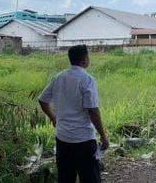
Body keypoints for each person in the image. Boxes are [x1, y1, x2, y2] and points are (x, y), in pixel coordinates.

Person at [38, 45, 109, 183]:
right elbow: (93, 111)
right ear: (84, 60)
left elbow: (42, 100)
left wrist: (53, 117)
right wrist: (103, 136)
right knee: (90, 178)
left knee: (65, 177)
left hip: (63, 138)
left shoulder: (58, 77)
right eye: (88, 56)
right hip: (84, 140)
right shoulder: (87, 79)